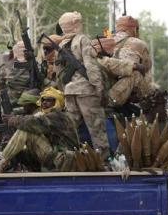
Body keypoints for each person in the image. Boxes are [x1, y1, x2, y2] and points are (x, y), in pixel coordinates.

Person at [55, 12, 140, 159]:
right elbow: (91, 66)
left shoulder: (61, 45)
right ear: (75, 24)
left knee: (70, 129)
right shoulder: (82, 40)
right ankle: (105, 162)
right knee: (97, 131)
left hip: (70, 91)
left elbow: (58, 73)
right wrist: (99, 90)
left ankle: (65, 159)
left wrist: (65, 90)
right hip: (86, 91)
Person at [0, 87, 80, 174]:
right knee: (19, 151)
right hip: (57, 159)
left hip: (63, 161)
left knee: (26, 130)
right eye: (43, 100)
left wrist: (13, 120)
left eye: (49, 100)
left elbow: (32, 123)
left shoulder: (59, 116)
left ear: (57, 102)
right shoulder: (50, 116)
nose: (44, 103)